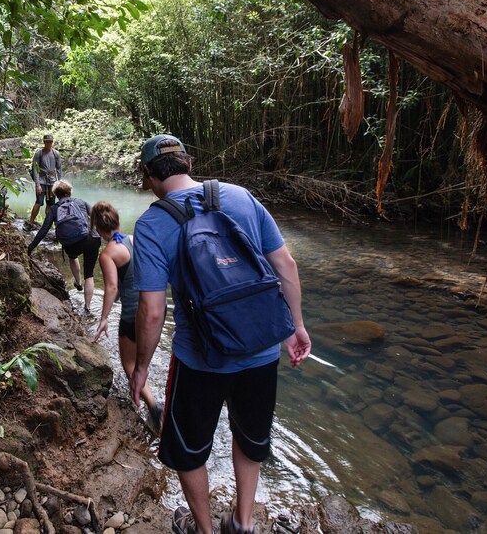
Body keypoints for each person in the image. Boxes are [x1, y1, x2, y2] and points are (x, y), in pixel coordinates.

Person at [129, 134, 311, 534]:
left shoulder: (152, 224)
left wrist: (141, 368)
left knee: (188, 451)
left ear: (149, 177)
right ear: (188, 163)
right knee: (249, 438)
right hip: (261, 350)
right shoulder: (241, 197)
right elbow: (286, 265)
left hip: (199, 360)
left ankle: (206, 530)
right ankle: (243, 523)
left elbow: (153, 310)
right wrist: (295, 327)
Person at [89, 201, 163, 432]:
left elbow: (111, 288)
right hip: (152, 310)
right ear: (118, 221)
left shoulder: (108, 253)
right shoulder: (133, 239)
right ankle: (151, 400)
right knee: (144, 360)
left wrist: (103, 319)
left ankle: (152, 406)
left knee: (130, 364)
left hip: (132, 315)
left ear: (98, 229)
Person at [27, 180, 100, 313]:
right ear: (69, 192)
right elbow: (98, 217)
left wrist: (30, 247)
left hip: (72, 244)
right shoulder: (80, 202)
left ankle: (78, 283)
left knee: (73, 256)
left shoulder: (54, 209)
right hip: (91, 239)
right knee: (89, 274)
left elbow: (43, 230)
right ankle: (87, 308)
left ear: (56, 195)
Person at [27, 134, 62, 228]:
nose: (48, 143)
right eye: (46, 141)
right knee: (38, 201)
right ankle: (30, 222)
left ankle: (47, 225)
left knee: (50, 203)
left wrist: (60, 183)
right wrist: (37, 185)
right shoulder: (39, 154)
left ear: (52, 142)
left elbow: (59, 169)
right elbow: (35, 170)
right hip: (41, 181)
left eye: (50, 142)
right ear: (44, 142)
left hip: (52, 181)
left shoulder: (56, 154)